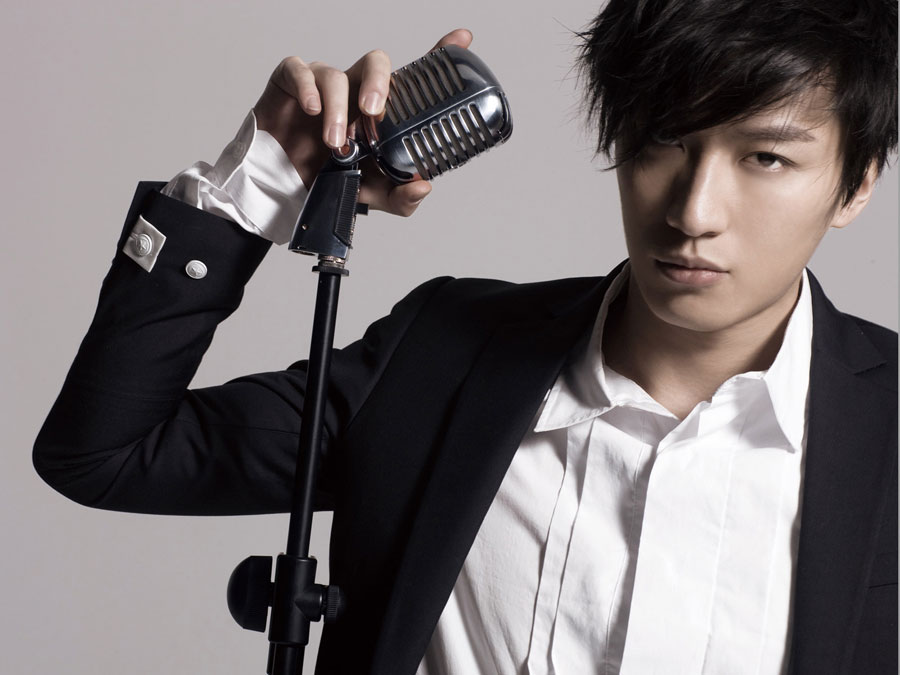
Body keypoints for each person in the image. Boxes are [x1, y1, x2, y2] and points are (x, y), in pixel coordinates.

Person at [34, 0, 897, 673]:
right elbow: (105, 452)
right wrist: (258, 186)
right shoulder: (444, 356)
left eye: (765, 157)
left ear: (856, 182)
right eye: (662, 142)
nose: (694, 211)